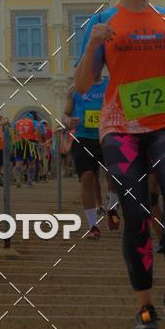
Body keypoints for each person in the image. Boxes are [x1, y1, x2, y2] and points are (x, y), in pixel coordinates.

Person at [75, 0, 165, 329]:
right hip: (120, 126)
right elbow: (82, 84)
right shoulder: (103, 25)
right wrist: (92, 45)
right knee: (135, 211)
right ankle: (144, 307)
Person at [62, 77, 120, 239]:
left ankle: (113, 209)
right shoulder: (75, 89)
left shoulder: (111, 84)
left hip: (107, 136)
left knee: (114, 175)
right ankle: (93, 226)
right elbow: (65, 115)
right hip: (83, 138)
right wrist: (68, 122)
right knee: (87, 178)